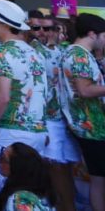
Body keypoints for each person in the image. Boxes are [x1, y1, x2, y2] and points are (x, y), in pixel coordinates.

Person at [0, 0, 48, 196]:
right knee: (31, 191)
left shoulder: (2, 53)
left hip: (10, 133)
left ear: (3, 23)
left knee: (6, 191)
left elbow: (2, 97)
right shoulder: (35, 54)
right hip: (37, 130)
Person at [28, 10, 79, 211]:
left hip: (66, 118)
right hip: (48, 119)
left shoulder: (63, 50)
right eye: (37, 28)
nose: (42, 32)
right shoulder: (33, 51)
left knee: (67, 167)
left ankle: (68, 204)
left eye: (49, 28)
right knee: (56, 168)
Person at [58, 12, 105, 211]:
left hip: (90, 126)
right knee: (99, 180)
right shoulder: (78, 55)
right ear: (93, 34)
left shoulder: (75, 53)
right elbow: (85, 90)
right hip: (91, 128)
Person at [0, 143, 55, 211]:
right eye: (1, 152)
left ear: (17, 168)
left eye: (3, 158)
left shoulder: (21, 200)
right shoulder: (39, 193)